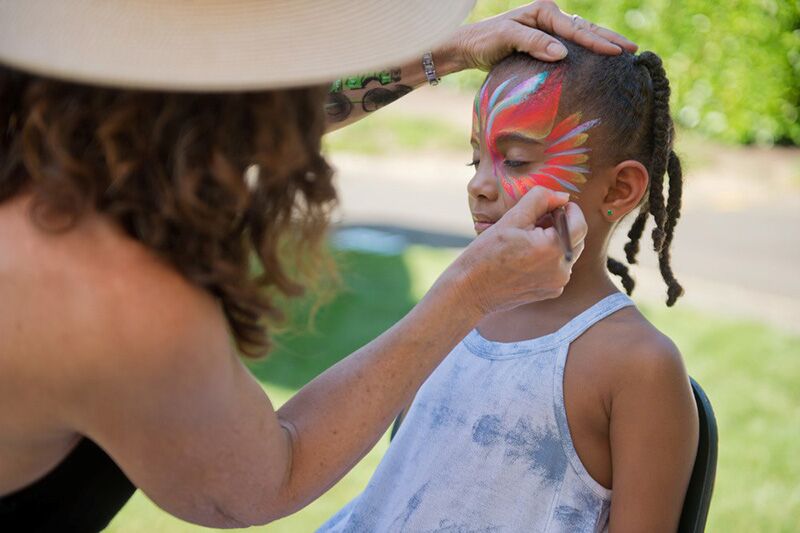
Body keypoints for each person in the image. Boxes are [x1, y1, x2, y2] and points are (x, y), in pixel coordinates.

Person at [0, 1, 637, 530]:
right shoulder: (109, 293)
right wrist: (466, 293)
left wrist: (440, 53)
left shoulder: (49, 133)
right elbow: (260, 480)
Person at [319, 40, 699, 532]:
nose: (478, 183)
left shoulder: (638, 365)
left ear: (619, 189)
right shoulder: (458, 310)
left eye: (516, 160)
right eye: (474, 159)